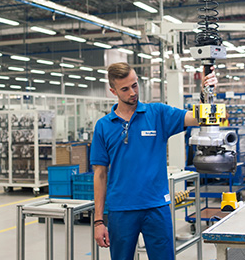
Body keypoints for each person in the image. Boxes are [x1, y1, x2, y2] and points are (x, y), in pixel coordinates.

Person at [90, 62, 218, 260]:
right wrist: (99, 221)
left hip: (156, 207)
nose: (133, 92)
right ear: (113, 91)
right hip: (121, 209)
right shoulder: (103, 126)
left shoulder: (158, 114)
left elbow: (197, 118)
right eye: (125, 89)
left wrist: (205, 93)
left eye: (135, 85)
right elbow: (99, 174)